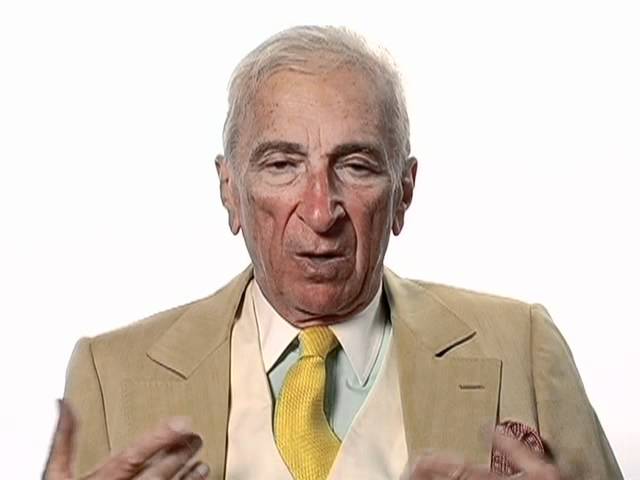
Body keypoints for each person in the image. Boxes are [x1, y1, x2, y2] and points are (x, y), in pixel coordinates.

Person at [44, 25, 622, 480]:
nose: (321, 212)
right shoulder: (110, 375)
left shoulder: (522, 348)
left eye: (357, 166)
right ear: (230, 192)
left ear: (403, 193)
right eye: (282, 165)